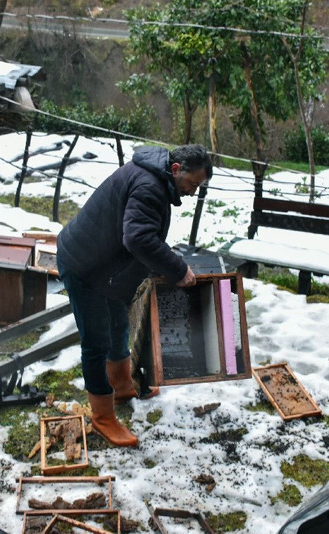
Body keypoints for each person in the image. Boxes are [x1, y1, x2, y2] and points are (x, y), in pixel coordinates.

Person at [56, 144, 213, 447]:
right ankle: (103, 417)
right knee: (96, 341)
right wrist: (177, 268)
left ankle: (121, 384)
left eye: (198, 186)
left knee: (118, 324)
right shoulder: (150, 187)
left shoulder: (156, 178)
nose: (193, 192)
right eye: (192, 183)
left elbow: (137, 233)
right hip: (82, 264)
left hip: (105, 265)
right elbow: (138, 237)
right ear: (176, 169)